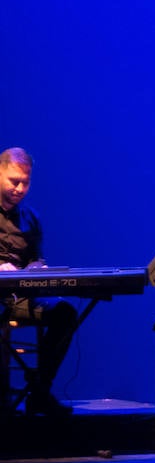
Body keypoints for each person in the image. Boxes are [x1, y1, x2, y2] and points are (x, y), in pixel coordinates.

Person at [0, 147, 78, 416]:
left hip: (19, 296)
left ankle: (40, 391)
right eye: (13, 181)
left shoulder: (31, 217)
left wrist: (35, 268)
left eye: (26, 182)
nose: (20, 188)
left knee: (65, 312)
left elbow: (37, 258)